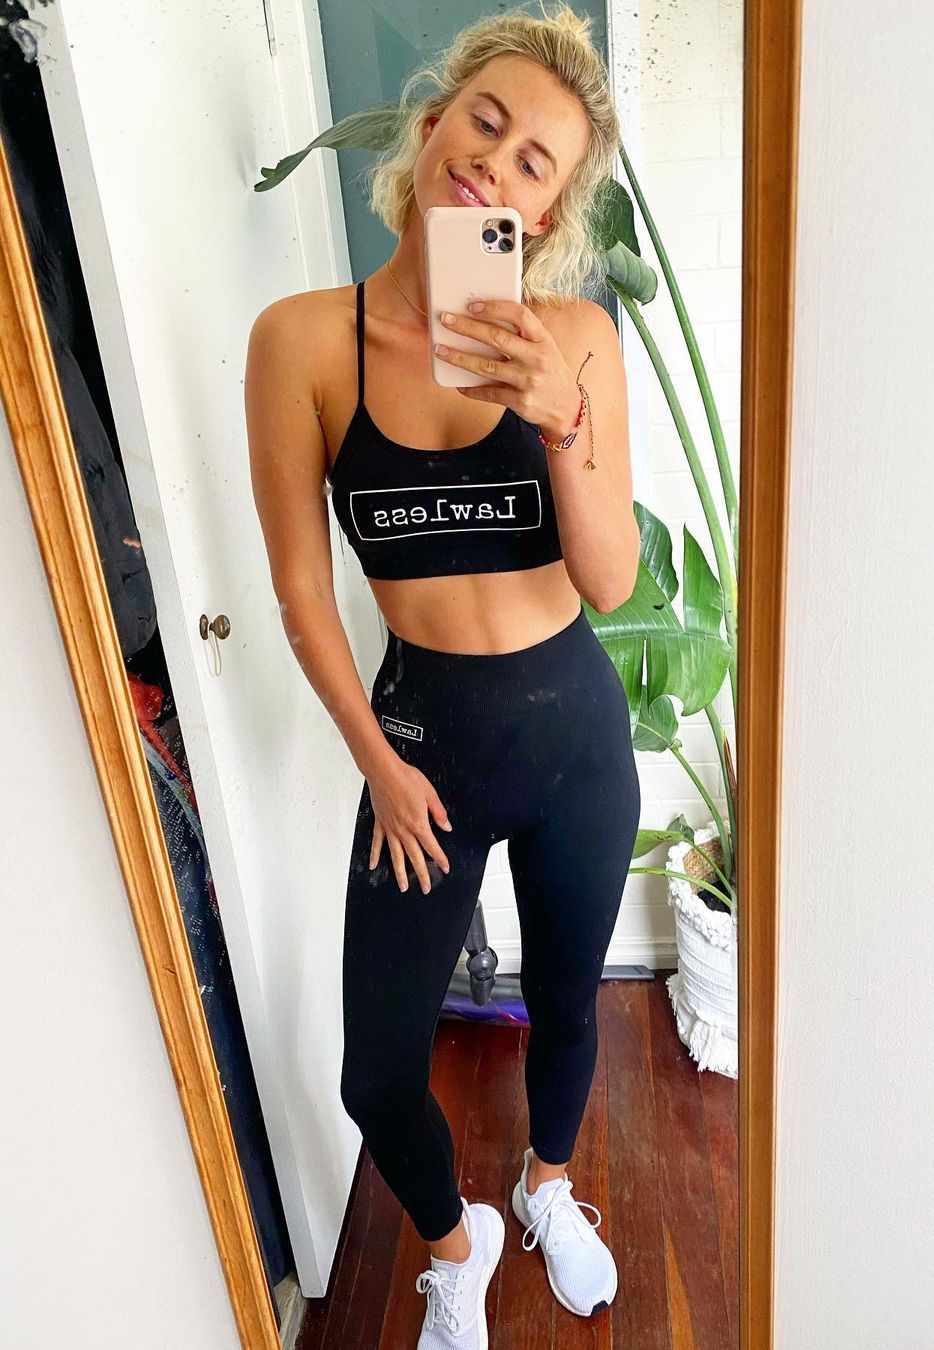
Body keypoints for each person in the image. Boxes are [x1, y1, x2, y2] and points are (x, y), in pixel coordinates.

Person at [245, 6, 641, 1345]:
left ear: (547, 213)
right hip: (420, 745)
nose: (495, 161)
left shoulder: (575, 339)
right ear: (429, 129)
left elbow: (611, 582)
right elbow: (302, 591)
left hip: (573, 736)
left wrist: (562, 421)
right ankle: (454, 1250)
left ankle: (548, 1188)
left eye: (536, 160)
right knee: (375, 1070)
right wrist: (376, 763)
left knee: (570, 1005)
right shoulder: (303, 342)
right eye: (486, 120)